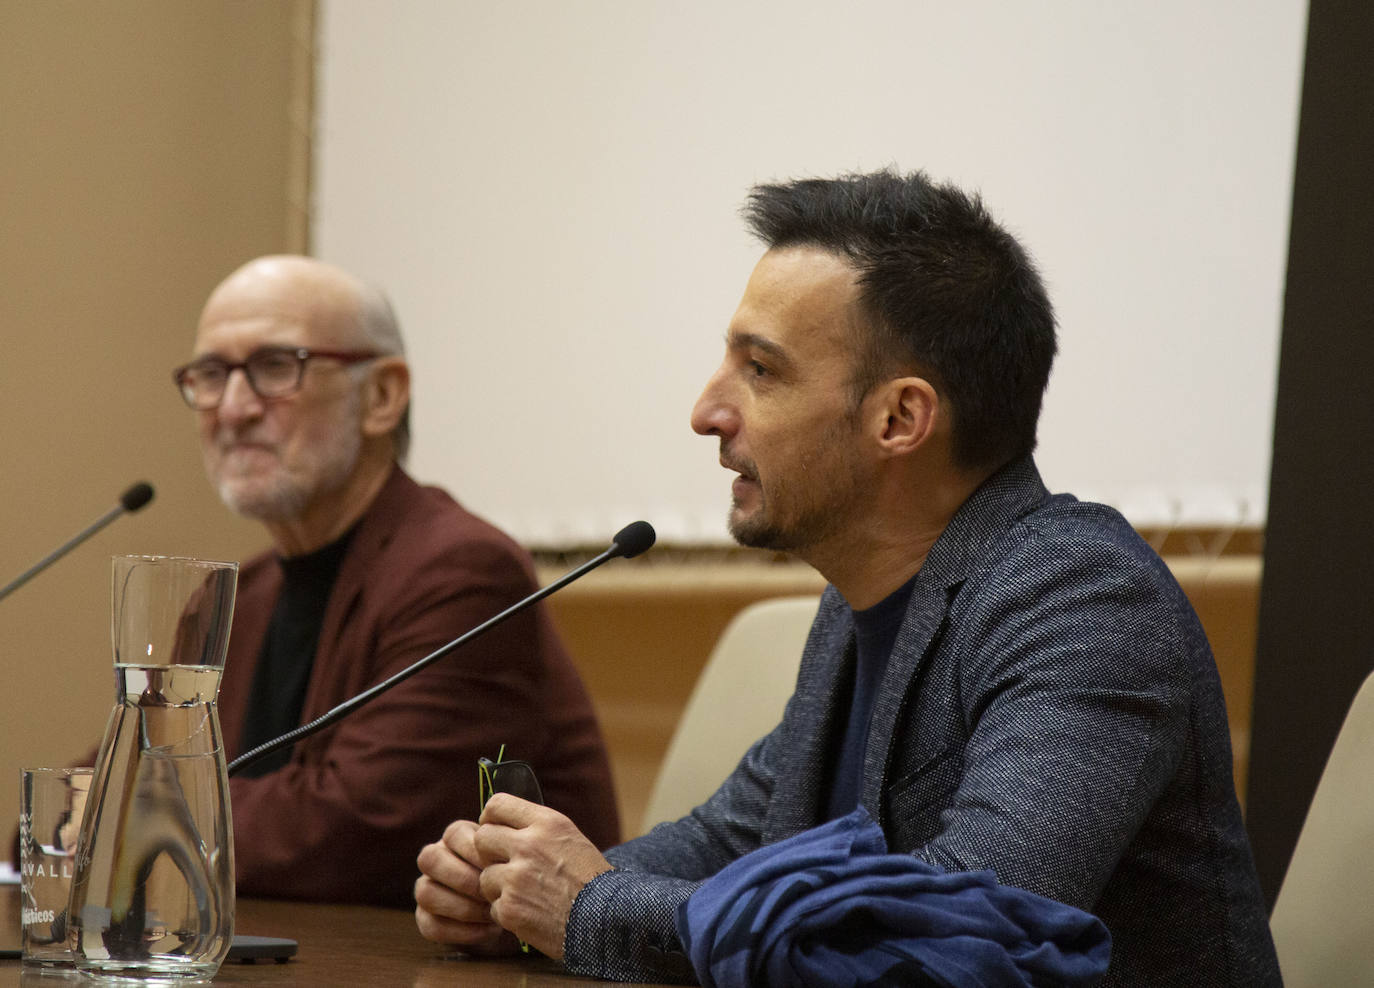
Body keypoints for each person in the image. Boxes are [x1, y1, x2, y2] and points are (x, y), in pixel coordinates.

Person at [412, 171, 1280, 985]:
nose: (707, 411)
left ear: (900, 417)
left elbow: (959, 933)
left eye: (761, 371)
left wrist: (592, 909)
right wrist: (516, 896)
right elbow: (733, 842)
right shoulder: (857, 602)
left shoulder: (1083, 601)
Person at [173, 255, 619, 908]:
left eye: (275, 367)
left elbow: (351, 832)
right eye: (211, 375)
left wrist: (136, 813)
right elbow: (90, 787)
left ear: (382, 396)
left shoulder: (463, 573)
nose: (234, 408)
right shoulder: (234, 598)